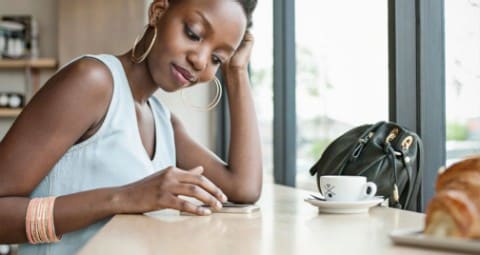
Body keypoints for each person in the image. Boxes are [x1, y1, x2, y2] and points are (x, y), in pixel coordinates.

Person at [0, 0, 261, 254]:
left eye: (217, 58)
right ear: (158, 12)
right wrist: (124, 198)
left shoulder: (162, 120)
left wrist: (236, 72)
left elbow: (243, 188)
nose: (201, 61)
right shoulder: (91, 81)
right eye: (193, 33)